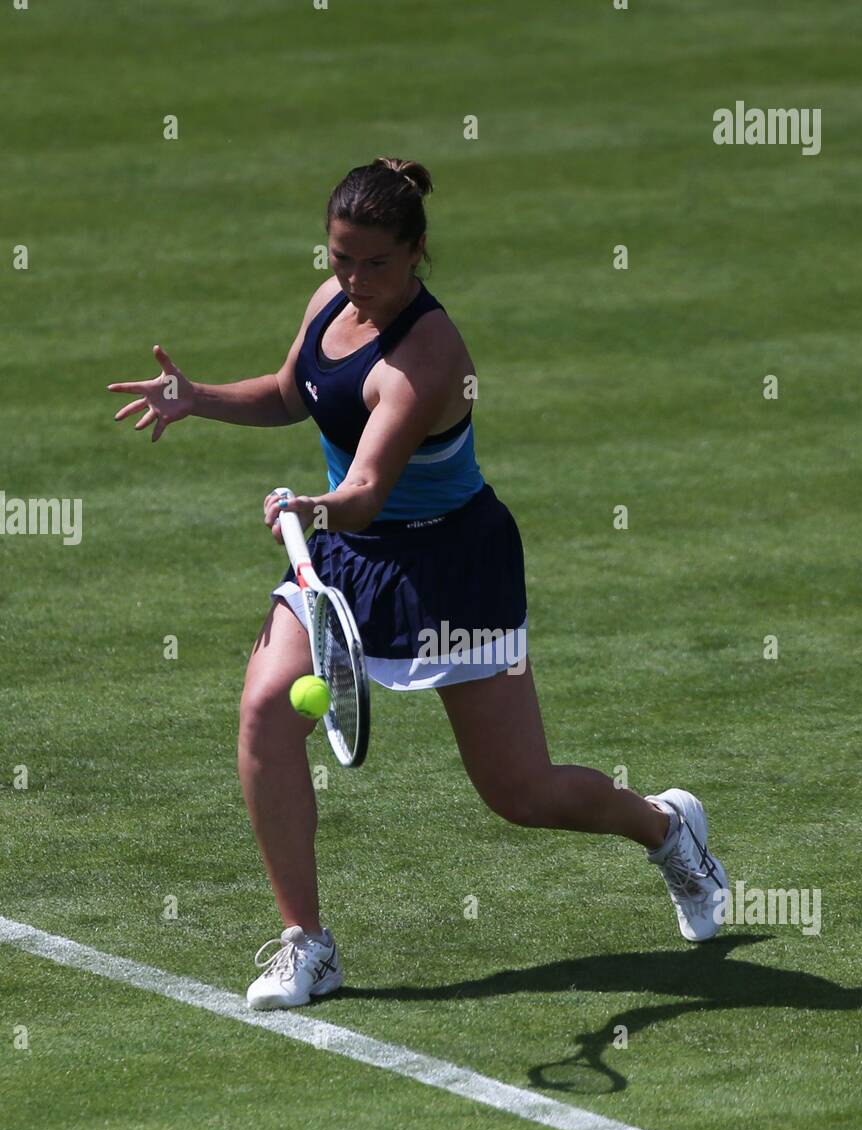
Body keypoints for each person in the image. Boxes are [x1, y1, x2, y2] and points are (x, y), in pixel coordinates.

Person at [107, 157, 728, 1011]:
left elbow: (363, 497)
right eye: (340, 258)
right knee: (263, 708)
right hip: (344, 552)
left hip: (448, 569)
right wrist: (197, 396)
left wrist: (310, 509)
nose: (355, 281)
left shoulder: (427, 355)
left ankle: (667, 830)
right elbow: (295, 393)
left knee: (521, 793)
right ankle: (308, 946)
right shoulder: (331, 304)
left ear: (418, 253)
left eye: (376, 264)